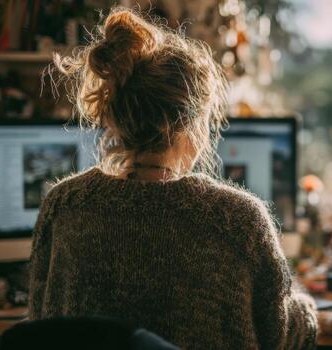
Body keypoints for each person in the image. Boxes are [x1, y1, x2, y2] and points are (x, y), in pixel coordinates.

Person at [29, 8, 317, 349]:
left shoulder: (64, 205)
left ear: (115, 117)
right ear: (192, 126)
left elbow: (40, 325)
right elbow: (280, 334)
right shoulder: (237, 220)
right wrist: (307, 309)